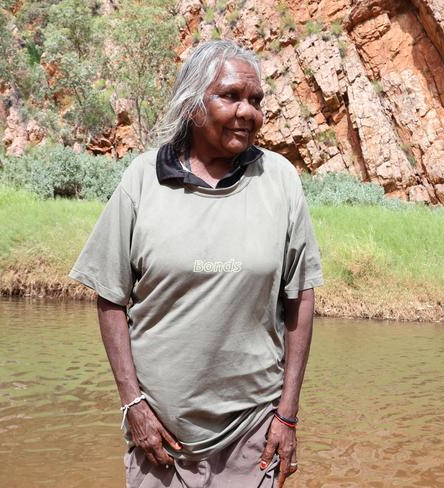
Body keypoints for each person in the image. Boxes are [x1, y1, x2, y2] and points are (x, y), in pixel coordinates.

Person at [70, 40, 323, 488]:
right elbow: (110, 296)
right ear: (192, 103)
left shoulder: (280, 180)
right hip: (161, 439)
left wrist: (287, 415)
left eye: (256, 100)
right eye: (231, 96)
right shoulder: (142, 180)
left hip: (254, 434)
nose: (247, 112)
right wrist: (134, 406)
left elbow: (300, 296)